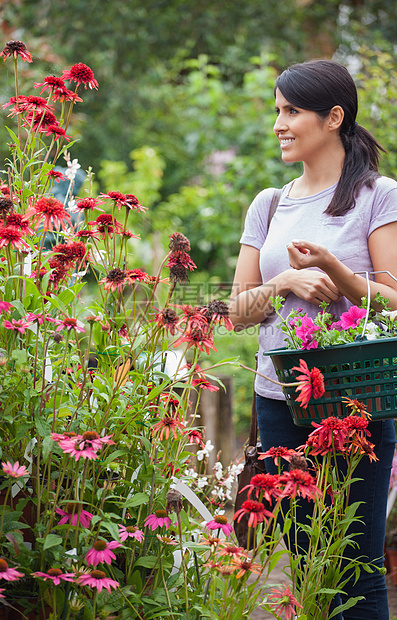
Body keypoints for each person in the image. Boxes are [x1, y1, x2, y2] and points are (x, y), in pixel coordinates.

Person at [229, 59, 397, 619]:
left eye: (291, 111)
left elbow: (395, 298)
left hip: (356, 405)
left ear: (333, 117)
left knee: (358, 568)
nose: (278, 123)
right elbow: (237, 311)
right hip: (280, 405)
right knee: (307, 566)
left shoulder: (378, 195)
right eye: (277, 110)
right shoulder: (270, 203)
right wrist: (282, 281)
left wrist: (339, 273)